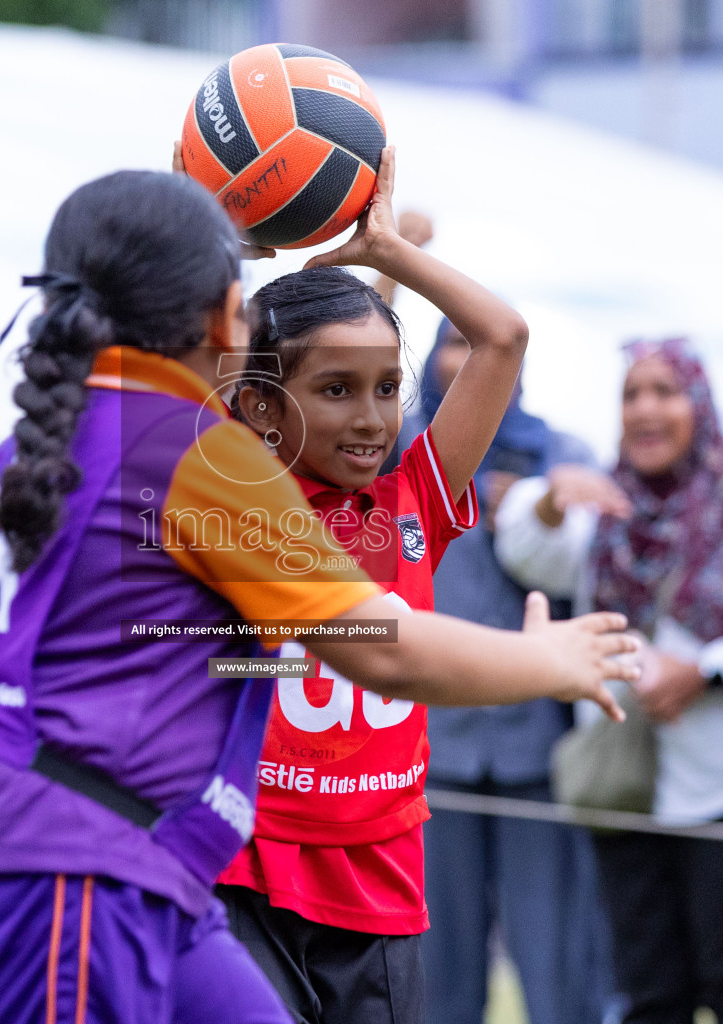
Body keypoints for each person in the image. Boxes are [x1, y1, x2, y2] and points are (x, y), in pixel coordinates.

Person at [0, 169, 637, 1024]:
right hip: (69, 868)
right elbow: (379, 643)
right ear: (224, 323)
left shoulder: (43, 449)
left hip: (106, 866)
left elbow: (16, 633)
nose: (369, 415)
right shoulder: (194, 453)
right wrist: (542, 658)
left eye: (385, 389)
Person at [215, 147, 535, 1022]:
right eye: (336, 389)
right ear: (259, 406)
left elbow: (503, 338)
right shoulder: (237, 503)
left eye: (389, 388)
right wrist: (219, 244)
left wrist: (387, 253)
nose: (370, 416)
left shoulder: (415, 500)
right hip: (244, 863)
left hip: (379, 883)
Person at [497, 339, 723, 1024]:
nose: (645, 409)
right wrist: (555, 498)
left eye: (664, 392)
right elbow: (527, 550)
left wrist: (705, 673)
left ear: (700, 405)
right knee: (649, 997)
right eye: (631, 394)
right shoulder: (606, 507)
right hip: (626, 788)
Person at [404, 321, 616, 1024]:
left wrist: (540, 508)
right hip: (430, 754)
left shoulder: (562, 457)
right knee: (438, 971)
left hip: (539, 747)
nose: (468, 362)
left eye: (485, 345)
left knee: (557, 964)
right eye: (453, 343)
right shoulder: (402, 458)